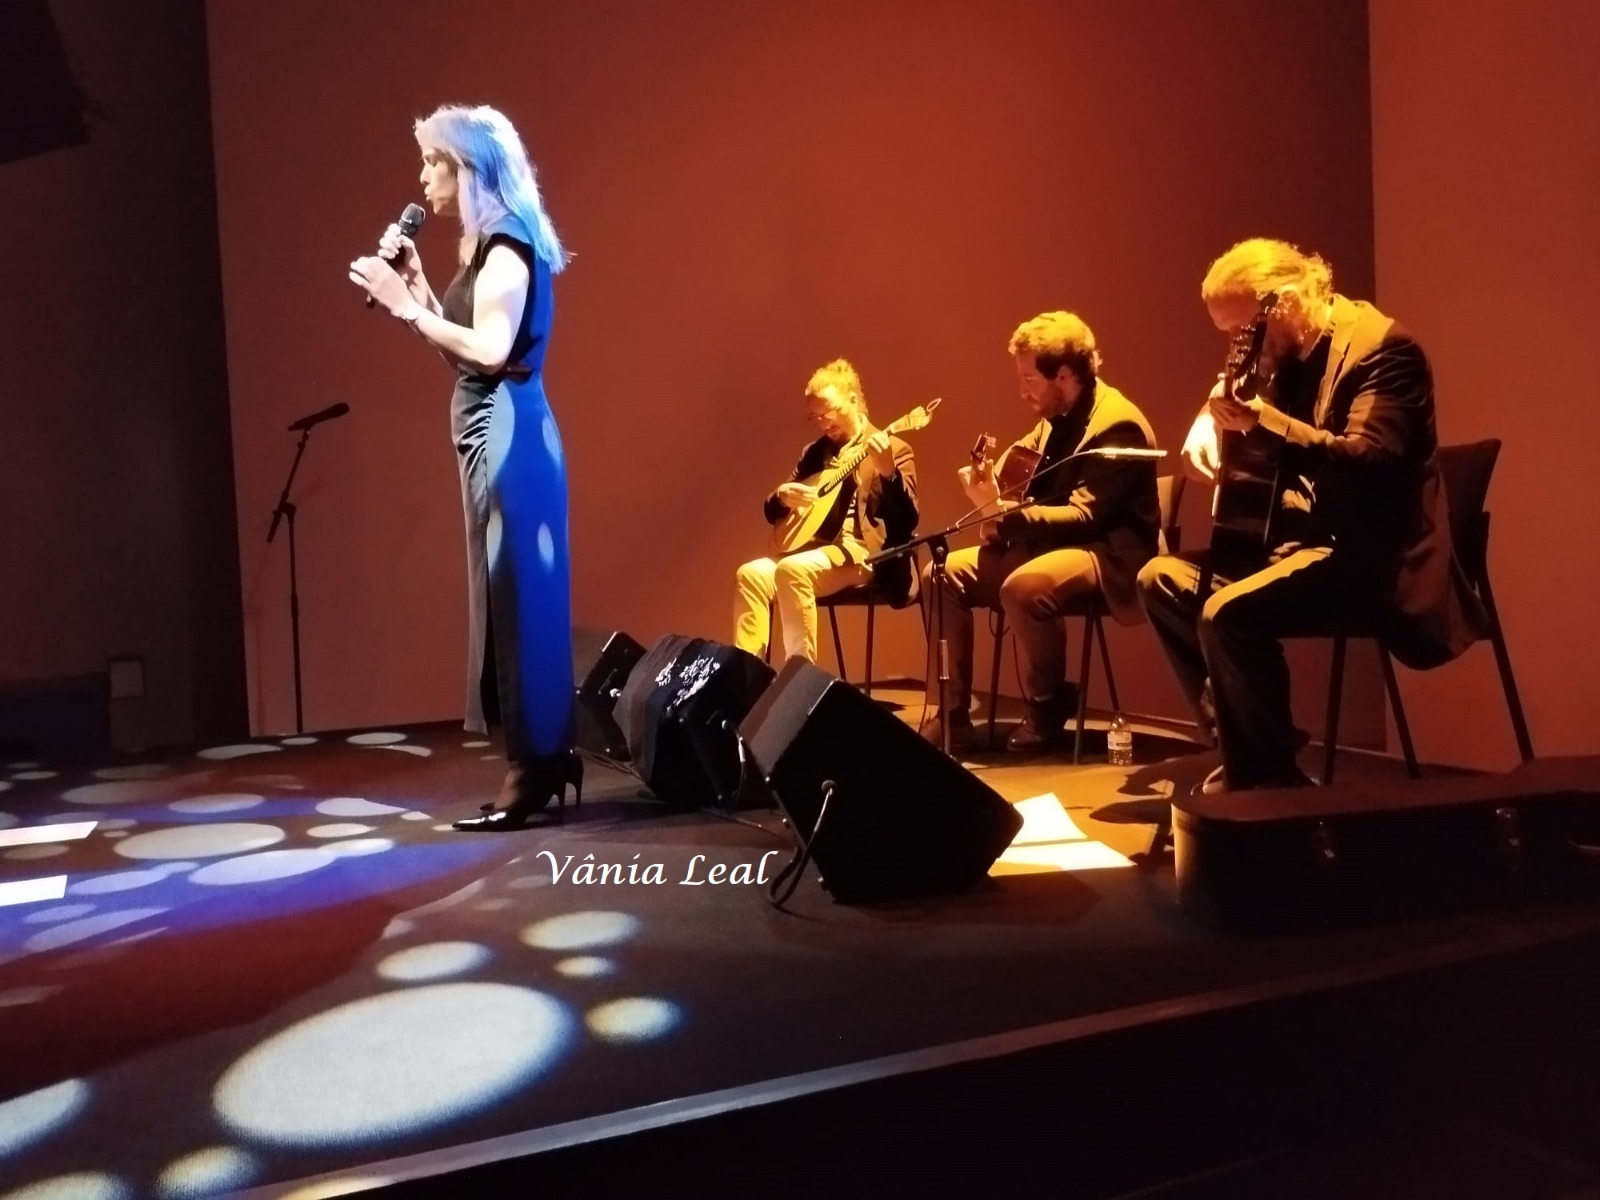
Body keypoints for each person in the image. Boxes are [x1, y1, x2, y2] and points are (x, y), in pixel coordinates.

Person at [1137, 237, 1484, 793]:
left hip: (1370, 555)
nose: (1239, 345)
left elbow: (1369, 461)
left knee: (1226, 613)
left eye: (1243, 330)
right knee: (1161, 580)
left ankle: (1267, 781)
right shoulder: (1285, 349)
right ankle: (1252, 750)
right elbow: (1234, 383)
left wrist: (1262, 424)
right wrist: (1207, 417)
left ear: (1288, 302)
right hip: (1300, 546)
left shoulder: (1385, 351)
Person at [349, 103, 578, 830]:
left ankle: (536, 768)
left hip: (510, 433)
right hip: (494, 427)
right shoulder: (486, 247)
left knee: (517, 599)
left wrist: (403, 307)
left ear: (468, 168)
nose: (423, 178)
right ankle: (540, 761)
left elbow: (490, 352)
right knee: (506, 594)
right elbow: (464, 351)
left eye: (433, 162)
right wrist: (416, 289)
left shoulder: (507, 245)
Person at [921, 312, 1159, 752]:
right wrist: (991, 487)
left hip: (1106, 554)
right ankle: (953, 712)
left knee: (1025, 588)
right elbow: (1020, 468)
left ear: (1064, 375)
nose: (1022, 391)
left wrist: (1001, 513)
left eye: (1029, 379)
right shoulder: (1053, 419)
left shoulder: (1117, 425)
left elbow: (1085, 518)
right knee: (941, 573)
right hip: (1049, 545)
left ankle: (1048, 704)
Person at [734, 359, 919, 664]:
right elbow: (772, 512)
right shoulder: (815, 453)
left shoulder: (894, 449)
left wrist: (888, 472)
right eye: (815, 417)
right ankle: (747, 676)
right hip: (813, 552)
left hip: (864, 554)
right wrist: (782, 496)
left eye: (828, 413)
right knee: (751, 574)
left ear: (853, 400)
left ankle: (798, 680)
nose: (823, 423)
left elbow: (907, 520)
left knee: (791, 570)